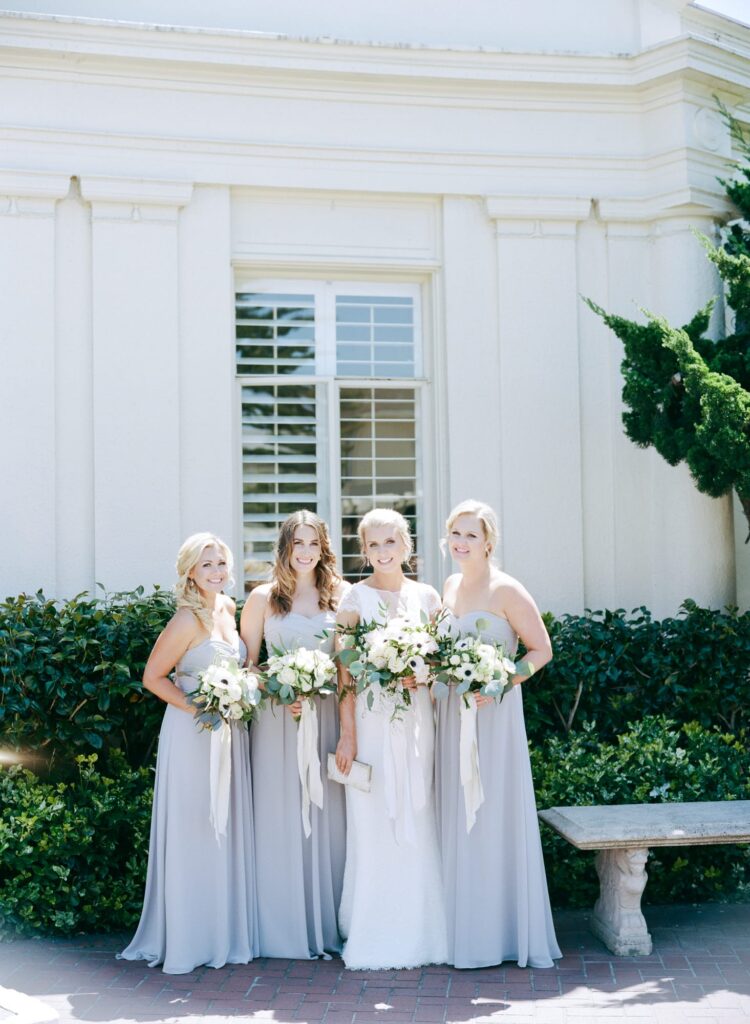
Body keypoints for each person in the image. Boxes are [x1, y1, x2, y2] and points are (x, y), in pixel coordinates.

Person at [120, 533, 257, 974]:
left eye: (221, 563)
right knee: (194, 824)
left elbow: (236, 666)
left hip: (228, 731)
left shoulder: (228, 608)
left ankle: (218, 932)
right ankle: (187, 937)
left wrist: (243, 689)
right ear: (190, 573)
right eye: (206, 565)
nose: (216, 572)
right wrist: (202, 707)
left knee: (222, 824)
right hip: (192, 731)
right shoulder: (186, 619)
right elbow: (153, 677)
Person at [435, 499, 561, 969]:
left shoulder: (507, 589)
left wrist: (502, 679)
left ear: (489, 541)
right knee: (456, 808)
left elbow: (541, 650)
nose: (462, 543)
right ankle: (460, 928)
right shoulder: (448, 586)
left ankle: (499, 932)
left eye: (471, 535)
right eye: (456, 534)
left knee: (490, 810)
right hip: (453, 711)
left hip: (493, 716)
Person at [335, 508, 448, 970]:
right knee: (375, 819)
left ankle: (425, 932)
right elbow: (344, 673)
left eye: (391, 542)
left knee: (420, 815)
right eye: (374, 544)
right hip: (372, 723)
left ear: (407, 546)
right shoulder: (353, 601)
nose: (383, 552)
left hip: (418, 722)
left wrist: (421, 675)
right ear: (364, 551)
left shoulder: (428, 596)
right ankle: (375, 930)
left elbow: (445, 660)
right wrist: (348, 736)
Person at [241, 510, 349, 959]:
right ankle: (280, 926)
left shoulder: (338, 597)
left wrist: (348, 733)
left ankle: (326, 922)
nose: (304, 552)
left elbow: (347, 670)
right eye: (296, 543)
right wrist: (277, 689)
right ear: (284, 548)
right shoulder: (262, 598)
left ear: (323, 549)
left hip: (323, 717)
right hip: (277, 720)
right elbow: (247, 666)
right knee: (280, 812)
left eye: (312, 544)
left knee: (328, 816)